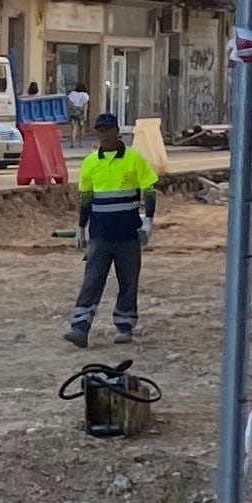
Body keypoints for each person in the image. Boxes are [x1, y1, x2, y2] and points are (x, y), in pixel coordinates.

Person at [66, 109, 160, 348]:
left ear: (117, 131)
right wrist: (80, 228)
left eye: (108, 129)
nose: (104, 135)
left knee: (128, 280)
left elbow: (149, 190)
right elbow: (86, 198)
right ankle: (80, 327)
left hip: (128, 233)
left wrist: (148, 220)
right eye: (100, 130)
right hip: (100, 234)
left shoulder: (134, 159)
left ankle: (125, 325)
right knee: (92, 280)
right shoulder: (90, 163)